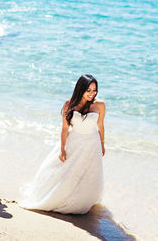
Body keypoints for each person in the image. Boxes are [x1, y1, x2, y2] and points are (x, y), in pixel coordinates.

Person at [19, 74, 106, 214]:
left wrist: (102, 145)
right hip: (75, 142)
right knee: (66, 172)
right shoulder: (69, 104)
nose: (92, 93)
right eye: (88, 90)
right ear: (80, 89)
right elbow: (65, 128)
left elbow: (100, 126)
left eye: (94, 90)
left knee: (88, 174)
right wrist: (62, 149)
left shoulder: (100, 105)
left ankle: (83, 200)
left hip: (92, 144)